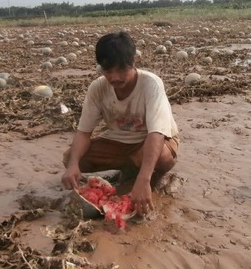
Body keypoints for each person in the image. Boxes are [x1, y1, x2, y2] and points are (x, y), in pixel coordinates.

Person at [61, 31, 180, 216]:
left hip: (151, 140)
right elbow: (84, 132)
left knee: (162, 157)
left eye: (121, 69)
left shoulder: (151, 85)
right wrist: (73, 164)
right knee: (71, 158)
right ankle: (130, 167)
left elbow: (156, 133)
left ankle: (141, 172)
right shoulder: (98, 88)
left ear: (134, 61)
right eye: (108, 71)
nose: (115, 77)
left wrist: (144, 179)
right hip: (118, 142)